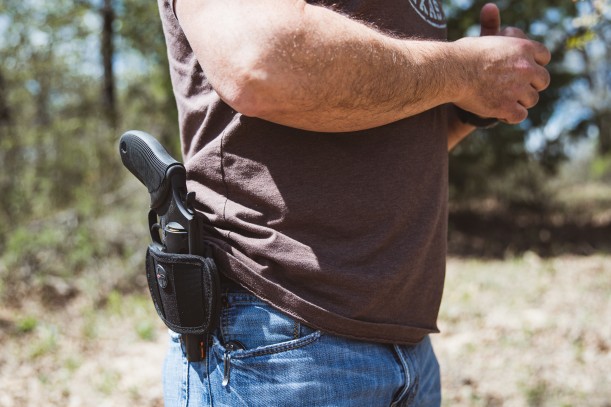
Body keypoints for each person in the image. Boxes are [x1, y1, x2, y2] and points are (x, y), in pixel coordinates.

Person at [156, 0, 550, 405]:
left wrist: (473, 105)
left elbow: (390, 144)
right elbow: (260, 63)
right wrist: (465, 71)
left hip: (408, 346)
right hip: (276, 333)